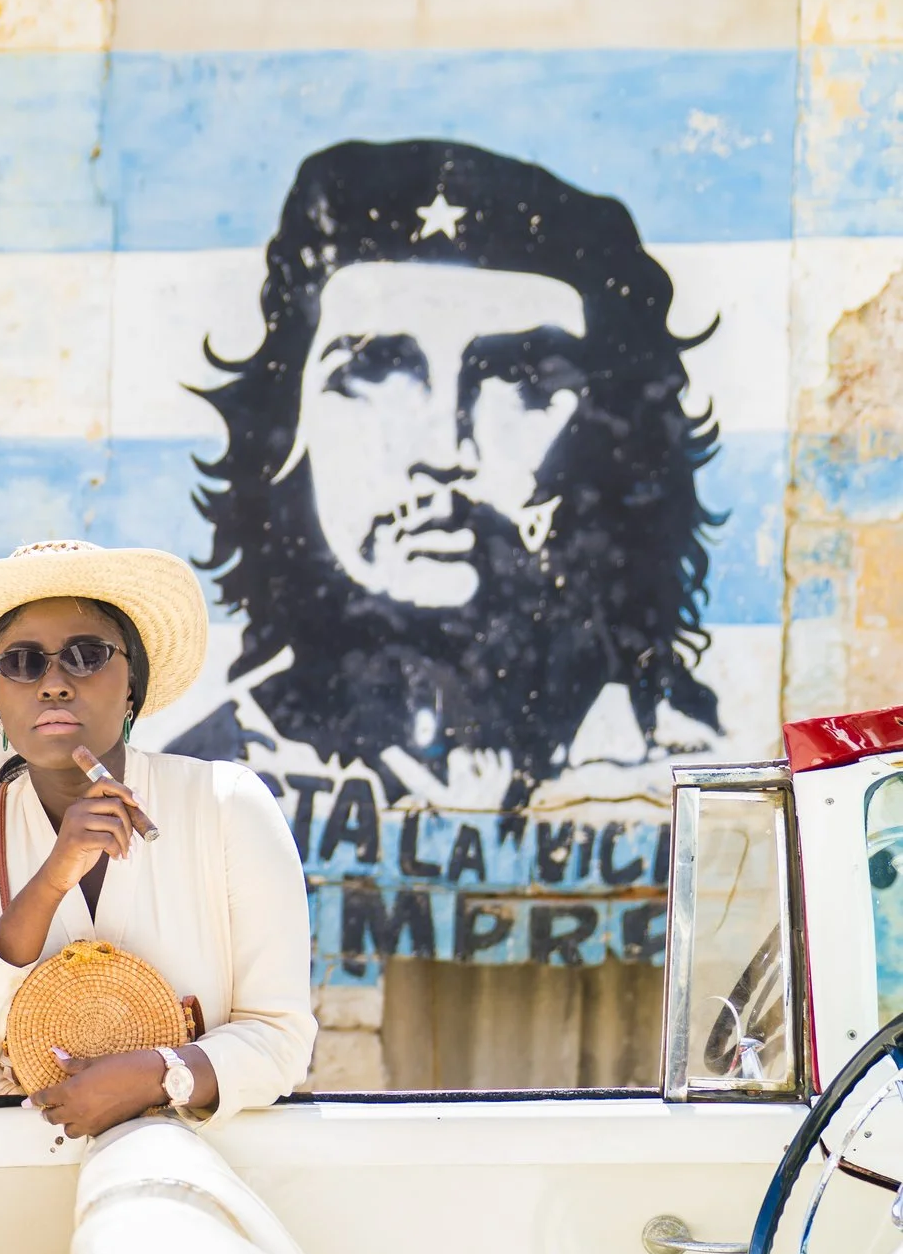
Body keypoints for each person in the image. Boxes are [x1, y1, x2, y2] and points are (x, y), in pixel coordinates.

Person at [171, 138, 726, 812]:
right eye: (375, 369)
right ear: (286, 434)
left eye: (522, 378)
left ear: (625, 447)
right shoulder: (190, 796)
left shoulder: (691, 785)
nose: (444, 447)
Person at [0, 540, 335, 1254]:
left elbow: (280, 1036)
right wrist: (50, 880)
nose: (53, 680)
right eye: (21, 662)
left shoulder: (226, 807)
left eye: (87, 654)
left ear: (133, 683)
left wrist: (157, 1075)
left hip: (210, 1208)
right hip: (11, 1210)